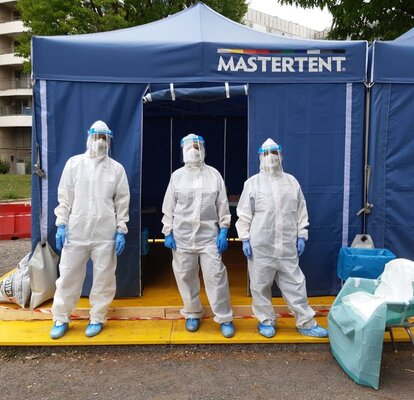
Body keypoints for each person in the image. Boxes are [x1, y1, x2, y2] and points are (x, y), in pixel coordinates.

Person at [235, 138, 328, 338]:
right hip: (261, 244)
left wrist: (302, 234)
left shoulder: (291, 182)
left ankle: (305, 322)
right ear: (260, 156)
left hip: (286, 244)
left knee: (295, 283)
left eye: (274, 153)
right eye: (267, 154)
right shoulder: (252, 183)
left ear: (281, 155)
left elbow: (300, 210)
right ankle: (266, 321)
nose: (271, 158)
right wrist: (245, 238)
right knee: (260, 285)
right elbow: (244, 214)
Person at [50, 120, 130, 339]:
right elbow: (64, 198)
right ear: (89, 138)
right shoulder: (74, 165)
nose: (101, 142)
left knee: (104, 278)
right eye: (97, 138)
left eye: (104, 138)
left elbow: (122, 201)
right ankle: (61, 317)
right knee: (67, 276)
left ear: (110, 141)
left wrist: (121, 229)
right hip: (76, 232)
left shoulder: (116, 169)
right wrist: (61, 225)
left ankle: (97, 317)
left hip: (105, 234)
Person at [162, 133, 235, 338]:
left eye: (197, 146)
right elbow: (169, 206)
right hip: (182, 237)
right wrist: (168, 231)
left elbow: (222, 204)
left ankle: (224, 317)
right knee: (185, 276)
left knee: (216, 276)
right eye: (189, 147)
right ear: (182, 151)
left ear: (203, 149)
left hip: (208, 237)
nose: (193, 150)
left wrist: (223, 230)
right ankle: (192, 312)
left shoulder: (214, 175)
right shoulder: (177, 176)